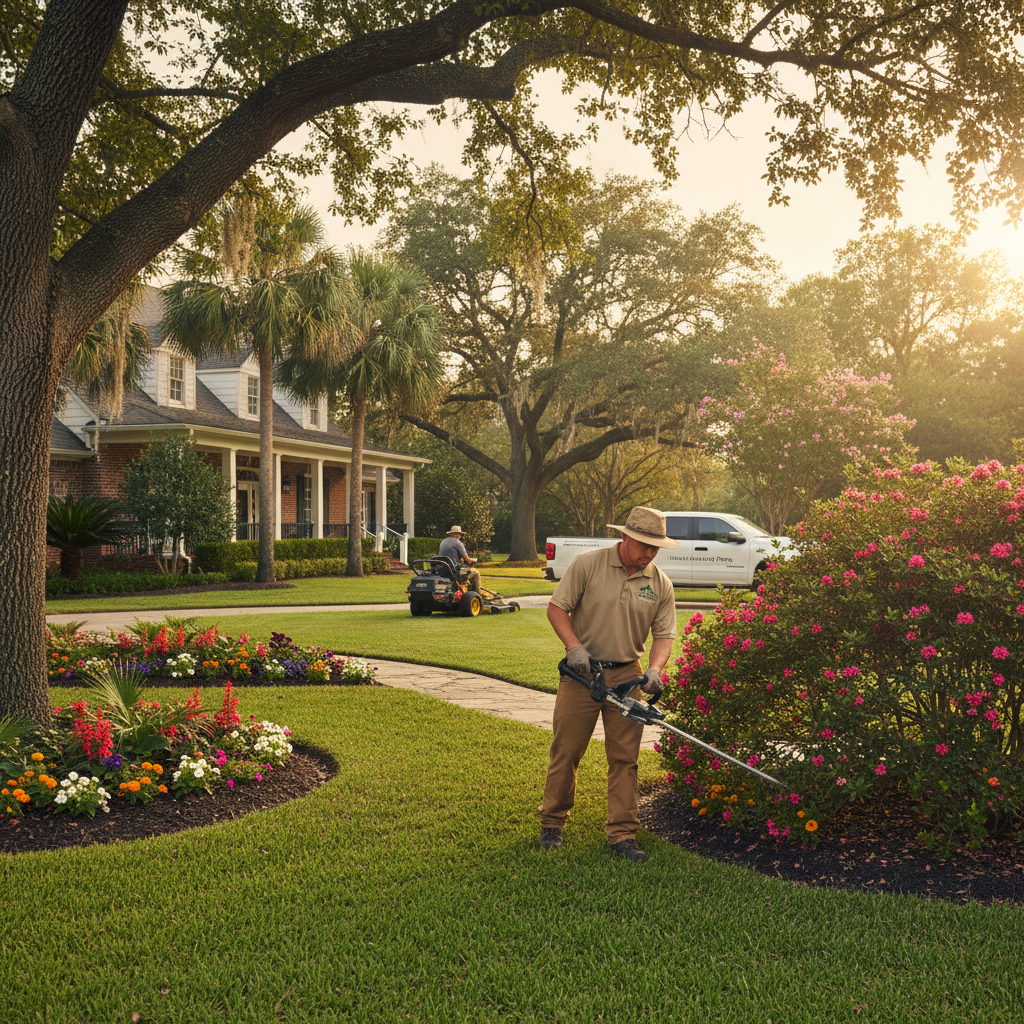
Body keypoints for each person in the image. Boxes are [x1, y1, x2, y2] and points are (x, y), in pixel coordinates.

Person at [539, 506, 678, 862]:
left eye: (656, 546)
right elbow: (557, 608)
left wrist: (655, 669)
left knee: (625, 759)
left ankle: (622, 834)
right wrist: (574, 647)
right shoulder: (588, 564)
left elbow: (663, 635)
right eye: (645, 544)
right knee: (567, 751)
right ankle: (552, 823)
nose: (650, 552)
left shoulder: (659, 582)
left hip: (627, 676)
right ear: (626, 536)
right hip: (582, 676)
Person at [438, 525, 482, 593]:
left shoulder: (443, 542)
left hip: (443, 570)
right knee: (476, 573)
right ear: (458, 535)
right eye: (460, 534)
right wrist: (473, 561)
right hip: (455, 571)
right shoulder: (458, 543)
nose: (459, 536)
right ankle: (478, 594)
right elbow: (468, 560)